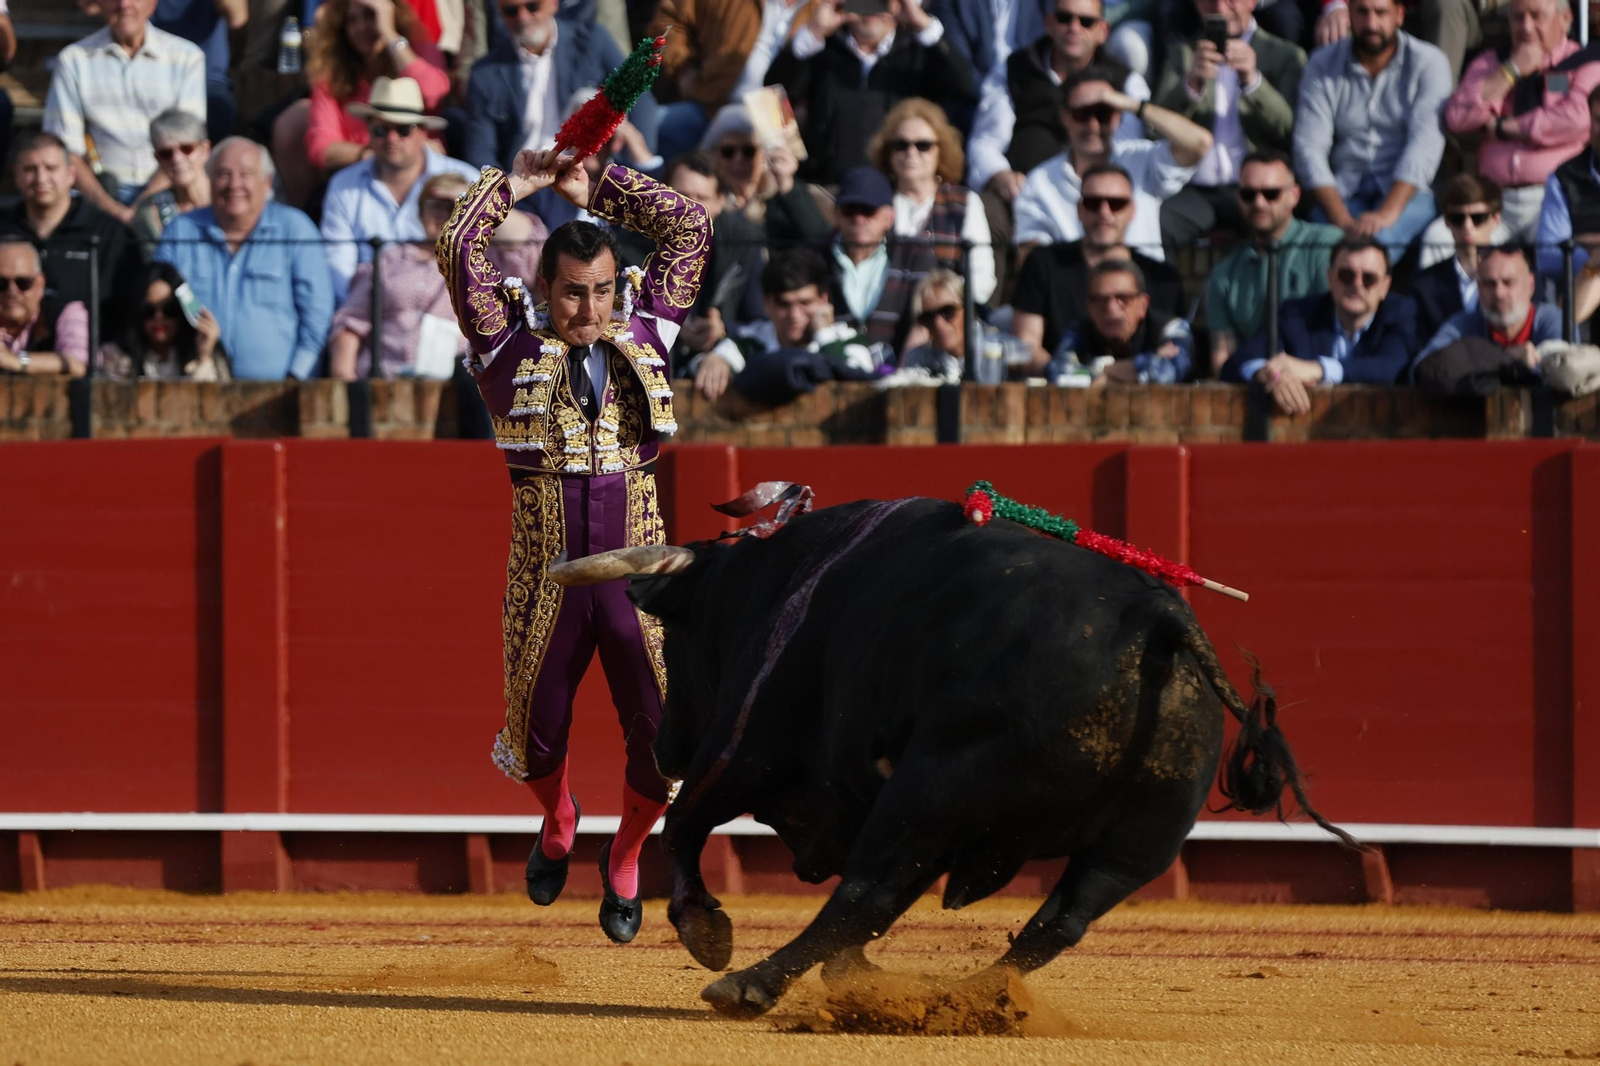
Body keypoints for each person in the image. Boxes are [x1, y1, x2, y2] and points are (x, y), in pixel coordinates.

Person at [436, 145, 709, 943]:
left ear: (617, 289)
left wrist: (604, 187)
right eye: (571, 295)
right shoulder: (504, 349)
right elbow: (459, 246)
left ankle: (625, 856)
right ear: (544, 292)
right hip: (547, 580)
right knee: (532, 733)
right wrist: (521, 182)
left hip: (641, 581)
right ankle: (560, 821)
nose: (587, 312)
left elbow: (689, 227)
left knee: (664, 735)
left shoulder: (648, 331)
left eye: (600, 294)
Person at [155, 138, 335, 379]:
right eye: (223, 174)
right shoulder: (181, 231)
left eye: (246, 174)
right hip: (194, 386)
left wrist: (297, 378)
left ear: (266, 182)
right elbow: (155, 304)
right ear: (209, 181)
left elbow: (318, 315)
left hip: (281, 393)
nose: (234, 184)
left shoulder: (295, 229)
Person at [1292, 0, 1451, 253]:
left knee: (1373, 249)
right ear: (1350, 14)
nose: (1371, 24)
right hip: (1343, 190)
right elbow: (1308, 149)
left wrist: (1386, 215)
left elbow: (1424, 149)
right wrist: (1343, 222)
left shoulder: (1429, 63)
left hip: (1408, 194)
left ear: (1399, 15)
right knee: (1326, 248)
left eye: (1381, 12)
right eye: (1362, 12)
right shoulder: (1321, 64)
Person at [765, 0, 977, 185]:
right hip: (825, 184)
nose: (872, 8)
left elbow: (966, 88)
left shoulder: (919, 54)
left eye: (881, 0)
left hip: (897, 189)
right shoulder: (822, 50)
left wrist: (922, 24)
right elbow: (773, 95)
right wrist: (813, 31)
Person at [965, 0, 1152, 206]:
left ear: (1103, 30)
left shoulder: (1126, 83)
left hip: (1096, 206)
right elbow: (985, 143)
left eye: (1086, 21)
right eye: (1065, 18)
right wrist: (1001, 176)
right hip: (1022, 201)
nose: (1074, 28)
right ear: (1049, 23)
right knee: (984, 210)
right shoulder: (1014, 70)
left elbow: (1129, 153)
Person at [1152, 0, 1306, 250]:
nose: (1221, 10)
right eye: (1210, 1)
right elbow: (1155, 129)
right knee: (1159, 223)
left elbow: (1290, 131)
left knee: (1279, 226)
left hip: (1258, 190)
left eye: (1231, 0)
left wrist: (1253, 82)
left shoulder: (1286, 55)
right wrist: (1190, 86)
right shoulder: (1183, 55)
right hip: (1195, 190)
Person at [1011, 67, 1212, 258]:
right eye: (1082, 114)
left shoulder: (1138, 157)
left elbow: (1199, 143)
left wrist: (1135, 105)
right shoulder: (1040, 181)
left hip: (1142, 284)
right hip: (1074, 289)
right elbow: (1030, 256)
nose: (1093, 125)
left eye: (1103, 113)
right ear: (1065, 117)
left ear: (1118, 116)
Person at [1442, 0, 1596, 245]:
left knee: (1561, 253)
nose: (1525, 26)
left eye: (1536, 16)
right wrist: (1510, 71)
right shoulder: (1491, 62)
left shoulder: (1584, 62)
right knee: (1437, 241)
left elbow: (1577, 118)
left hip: (1554, 197)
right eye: (1518, 17)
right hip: (1493, 200)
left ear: (1566, 20)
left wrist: (1503, 128)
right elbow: (1457, 118)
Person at [274, 0, 450, 208]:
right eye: (352, 20)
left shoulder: (419, 49)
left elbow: (434, 93)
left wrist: (390, 34)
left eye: (370, 16)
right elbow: (321, 148)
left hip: (420, 182)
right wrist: (380, 154)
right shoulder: (332, 71)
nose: (361, 27)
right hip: (358, 183)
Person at [43, 0, 207, 222]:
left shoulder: (186, 57)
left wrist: (140, 206)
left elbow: (189, 144)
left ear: (153, 4)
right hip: (102, 190)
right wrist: (112, 209)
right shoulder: (73, 60)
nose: (124, 4)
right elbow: (65, 148)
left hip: (170, 188)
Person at [319, 76, 478, 302]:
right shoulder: (343, 186)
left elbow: (488, 258)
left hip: (450, 315)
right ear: (368, 131)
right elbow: (338, 271)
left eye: (403, 129)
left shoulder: (467, 179)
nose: (392, 138)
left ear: (424, 132)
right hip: (369, 315)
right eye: (381, 130)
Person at [1011, 161, 1185, 367]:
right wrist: (1079, 379)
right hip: (1061, 393)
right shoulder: (1043, 263)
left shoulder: (1163, 279)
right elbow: (1025, 346)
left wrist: (1112, 377)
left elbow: (1176, 354)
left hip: (1147, 394)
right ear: (1079, 209)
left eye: (1116, 203)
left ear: (1132, 210)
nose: (1104, 212)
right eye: (1093, 203)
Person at [462, 0, 659, 176]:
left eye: (532, 6)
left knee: (586, 97)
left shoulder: (592, 40)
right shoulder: (484, 73)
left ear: (553, 4)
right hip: (526, 183)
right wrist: (506, 197)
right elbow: (480, 154)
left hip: (585, 173)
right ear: (500, 13)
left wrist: (633, 168)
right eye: (511, 10)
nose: (523, 17)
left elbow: (640, 98)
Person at [1223, 236, 1417, 410]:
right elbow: (1238, 362)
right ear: (1330, 278)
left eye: (1369, 278)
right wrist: (1270, 375)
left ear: (1385, 286)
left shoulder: (1401, 313)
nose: (1357, 285)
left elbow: (1393, 367)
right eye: (1346, 275)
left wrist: (1319, 369)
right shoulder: (1297, 315)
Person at [1204, 147, 1342, 374]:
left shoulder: (1326, 246)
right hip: (1255, 386)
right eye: (1248, 194)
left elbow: (1338, 329)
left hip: (1320, 383)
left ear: (1295, 195)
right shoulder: (1225, 273)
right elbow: (1223, 356)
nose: (1259, 203)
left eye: (1271, 194)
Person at [0, 132, 142, 338]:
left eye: (51, 168)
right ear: (16, 176)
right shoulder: (4, 230)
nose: (41, 178)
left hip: (93, 359)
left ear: (71, 175)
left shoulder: (109, 233)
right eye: (30, 169)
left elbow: (129, 305)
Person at [690, 247, 877, 403]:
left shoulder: (848, 339)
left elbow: (859, 380)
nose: (794, 315)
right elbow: (711, 362)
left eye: (805, 303)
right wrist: (713, 360)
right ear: (767, 303)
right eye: (784, 304)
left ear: (823, 300)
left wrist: (825, 335)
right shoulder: (750, 341)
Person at [647, 0, 820, 159]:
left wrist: (815, 34)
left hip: (775, 130)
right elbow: (668, 18)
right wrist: (684, 68)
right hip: (709, 105)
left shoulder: (828, 10)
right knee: (646, 129)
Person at [868, 98, 997, 305]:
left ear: (941, 150)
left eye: (923, 145)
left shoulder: (965, 202)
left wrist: (939, 304)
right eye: (901, 145)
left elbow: (982, 278)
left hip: (945, 317)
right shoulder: (875, 200)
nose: (911, 153)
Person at [825, 166, 939, 357]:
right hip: (828, 371)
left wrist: (903, 373)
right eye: (849, 211)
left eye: (869, 210)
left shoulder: (915, 254)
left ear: (889, 217)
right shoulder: (815, 256)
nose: (859, 219)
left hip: (897, 374)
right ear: (836, 214)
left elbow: (925, 320)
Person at [1415, 245, 1564, 379]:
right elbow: (1422, 369)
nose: (1498, 293)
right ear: (1478, 287)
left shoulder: (1552, 321)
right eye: (1489, 284)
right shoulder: (1463, 326)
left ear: (1531, 285)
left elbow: (1565, 372)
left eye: (1508, 282)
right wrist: (1508, 359)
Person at [698, 104, 831, 243]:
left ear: (764, 155)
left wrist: (787, 185)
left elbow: (819, 238)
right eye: (728, 152)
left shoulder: (780, 194)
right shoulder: (706, 196)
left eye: (749, 151)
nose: (738, 159)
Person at [1047, 258, 1193, 382]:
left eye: (1123, 298)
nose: (1111, 307)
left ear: (1143, 305)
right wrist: (1137, 367)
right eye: (1099, 300)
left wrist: (1095, 373)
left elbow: (1167, 372)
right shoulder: (1078, 331)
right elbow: (1059, 374)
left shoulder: (1171, 328)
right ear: (1089, 306)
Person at [98, 261, 229, 380]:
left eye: (169, 309)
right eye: (148, 311)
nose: (159, 318)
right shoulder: (115, 356)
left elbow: (212, 401)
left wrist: (204, 357)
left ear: (182, 311)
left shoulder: (208, 354)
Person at [1410, 174, 1503, 342]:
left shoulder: (1520, 279)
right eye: (1458, 218)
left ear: (1495, 219)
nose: (1467, 226)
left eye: (1477, 218)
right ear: (1446, 221)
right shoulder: (1423, 286)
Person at [899, 269, 1032, 382]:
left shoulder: (1007, 350)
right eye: (927, 318)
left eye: (947, 311)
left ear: (967, 309)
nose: (938, 324)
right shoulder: (916, 360)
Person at [1533, 85, 1600, 285]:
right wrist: (1593, 261)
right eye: (1598, 120)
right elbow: (1548, 256)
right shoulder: (1565, 177)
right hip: (1588, 285)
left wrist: (1583, 242)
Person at [0, 241, 89, 378]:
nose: (12, 291)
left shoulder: (67, 312)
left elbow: (78, 364)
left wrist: (16, 361)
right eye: (1, 283)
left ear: (40, 285)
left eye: (23, 283)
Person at [130, 108, 212, 254]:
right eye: (166, 153)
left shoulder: (229, 198)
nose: (177, 159)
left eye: (186, 149)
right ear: (157, 159)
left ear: (205, 150)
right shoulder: (150, 211)